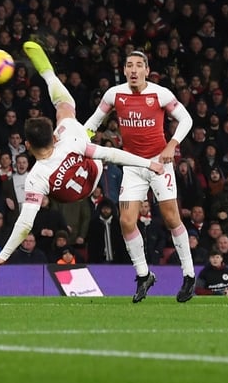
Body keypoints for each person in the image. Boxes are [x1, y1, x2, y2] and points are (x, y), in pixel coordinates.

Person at [0, 43, 163, 283]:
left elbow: (25, 224)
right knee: (67, 111)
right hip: (91, 170)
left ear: (26, 146)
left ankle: (49, 77)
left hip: (69, 194)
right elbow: (111, 155)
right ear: (53, 137)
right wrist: (148, 163)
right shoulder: (67, 136)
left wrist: (3, 255)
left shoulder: (35, 177)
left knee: (72, 122)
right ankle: (47, 73)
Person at [82, 49, 196, 303]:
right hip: (132, 164)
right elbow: (93, 123)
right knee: (126, 221)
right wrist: (77, 138)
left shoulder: (160, 93)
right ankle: (144, 275)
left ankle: (188, 275)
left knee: (170, 218)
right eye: (129, 66)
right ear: (124, 70)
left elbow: (186, 119)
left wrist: (172, 145)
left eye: (138, 66)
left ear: (146, 70)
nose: (133, 70)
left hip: (159, 162)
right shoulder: (114, 94)